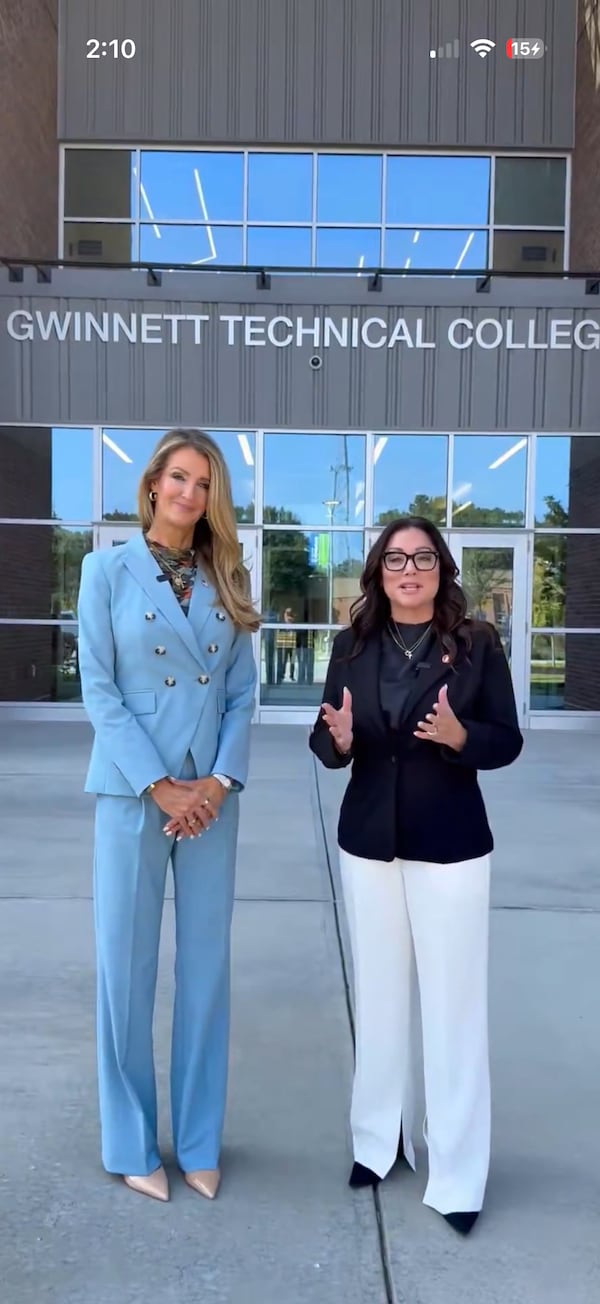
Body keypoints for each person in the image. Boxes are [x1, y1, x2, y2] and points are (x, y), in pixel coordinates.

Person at [309, 517, 523, 1236]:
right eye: (396, 558)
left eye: (423, 557)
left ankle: (458, 1174)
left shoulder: (478, 645)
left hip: (452, 846)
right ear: (378, 570)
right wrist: (335, 741)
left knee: (453, 1009)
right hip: (368, 839)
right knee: (378, 998)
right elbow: (327, 733)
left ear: (441, 568)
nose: (409, 569)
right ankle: (379, 1141)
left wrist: (464, 740)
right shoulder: (352, 644)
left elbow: (507, 738)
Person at [77, 428, 259, 1203]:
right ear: (153, 484)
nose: (190, 493)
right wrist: (161, 785)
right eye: (179, 477)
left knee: (205, 971)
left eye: (204, 483)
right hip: (133, 793)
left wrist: (216, 783)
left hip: (209, 800)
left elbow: (244, 693)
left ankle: (197, 1139)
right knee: (126, 968)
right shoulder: (104, 568)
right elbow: (99, 688)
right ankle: (128, 1140)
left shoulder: (228, 573)